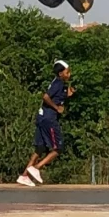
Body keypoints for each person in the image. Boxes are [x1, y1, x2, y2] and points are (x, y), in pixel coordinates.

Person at [18, 58, 75, 187]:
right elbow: (46, 96)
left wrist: (67, 96)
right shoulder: (58, 83)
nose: (69, 74)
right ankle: (36, 168)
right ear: (60, 73)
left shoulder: (58, 84)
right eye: (67, 72)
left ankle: (25, 176)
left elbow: (57, 96)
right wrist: (57, 108)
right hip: (49, 118)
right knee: (58, 148)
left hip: (42, 117)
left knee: (40, 148)